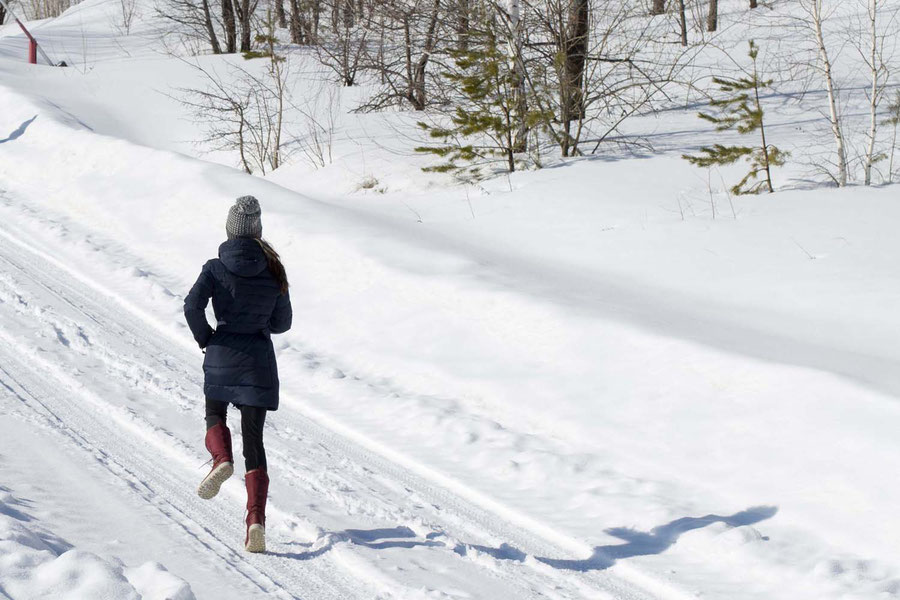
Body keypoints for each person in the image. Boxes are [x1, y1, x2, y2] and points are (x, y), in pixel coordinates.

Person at [183, 195, 292, 553]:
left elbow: (192, 305)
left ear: (230, 230)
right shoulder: (274, 269)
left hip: (222, 352)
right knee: (255, 442)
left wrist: (207, 338)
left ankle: (221, 459)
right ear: (258, 232)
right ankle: (255, 521)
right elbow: (282, 323)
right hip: (258, 361)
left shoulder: (215, 267)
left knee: (215, 413)